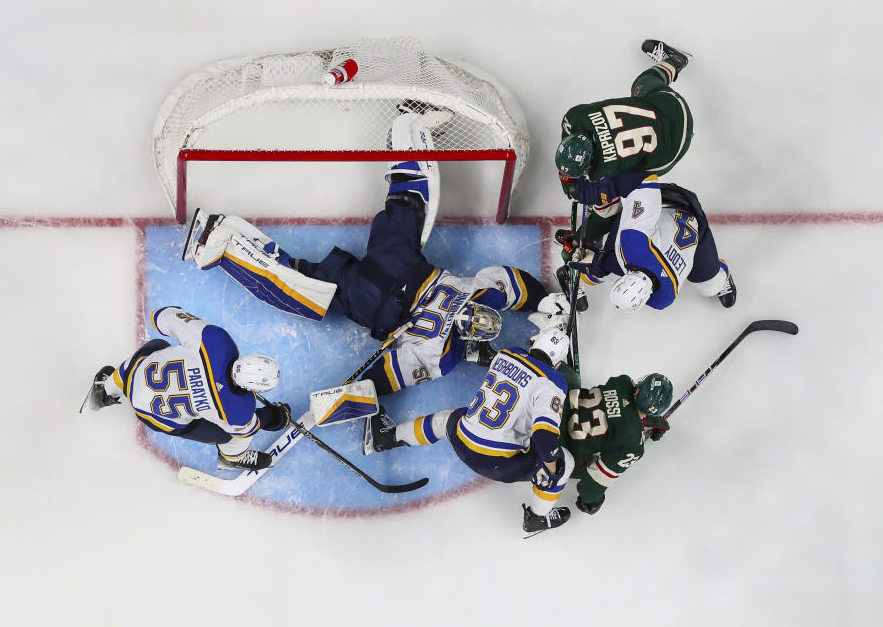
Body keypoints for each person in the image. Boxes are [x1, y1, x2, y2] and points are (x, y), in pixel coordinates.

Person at [184, 107, 549, 396]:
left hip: (400, 261)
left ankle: (409, 124)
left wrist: (544, 303)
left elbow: (514, 283)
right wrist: (354, 393)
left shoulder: (480, 292)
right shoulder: (442, 356)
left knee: (410, 199)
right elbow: (388, 377)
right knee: (296, 286)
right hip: (369, 301)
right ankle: (219, 242)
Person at [363, 322, 577, 537]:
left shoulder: (507, 354)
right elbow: (544, 438)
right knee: (563, 462)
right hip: (499, 463)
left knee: (444, 420)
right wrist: (550, 467)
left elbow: (525, 362)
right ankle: (536, 518)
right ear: (557, 363)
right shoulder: (553, 382)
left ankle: (386, 438)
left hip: (464, 440)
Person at [79, 306, 292, 470]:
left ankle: (106, 389)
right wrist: (275, 417)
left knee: (153, 352)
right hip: (153, 415)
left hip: (138, 374)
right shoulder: (238, 409)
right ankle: (231, 459)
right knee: (231, 436)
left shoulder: (216, 341)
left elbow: (160, 316)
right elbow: (251, 426)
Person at [557, 181, 736, 312]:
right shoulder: (633, 244)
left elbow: (642, 180)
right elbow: (643, 181)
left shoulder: (663, 299)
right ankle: (601, 211)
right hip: (671, 214)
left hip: (685, 214)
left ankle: (599, 212)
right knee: (597, 271)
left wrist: (587, 257)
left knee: (711, 285)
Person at [555, 39, 694, 202]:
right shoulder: (575, 116)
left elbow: (606, 202)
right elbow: (569, 133)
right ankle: (673, 62)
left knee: (637, 178)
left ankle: (676, 60)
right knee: (641, 85)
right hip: (673, 107)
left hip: (674, 149)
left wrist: (582, 191)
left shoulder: (604, 172)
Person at [561, 372, 673, 516]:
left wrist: (648, 421)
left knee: (570, 378)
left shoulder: (622, 382)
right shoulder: (633, 445)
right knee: (590, 463)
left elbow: (619, 410)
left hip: (553, 409)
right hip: (562, 447)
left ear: (638, 390)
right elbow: (592, 485)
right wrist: (589, 503)